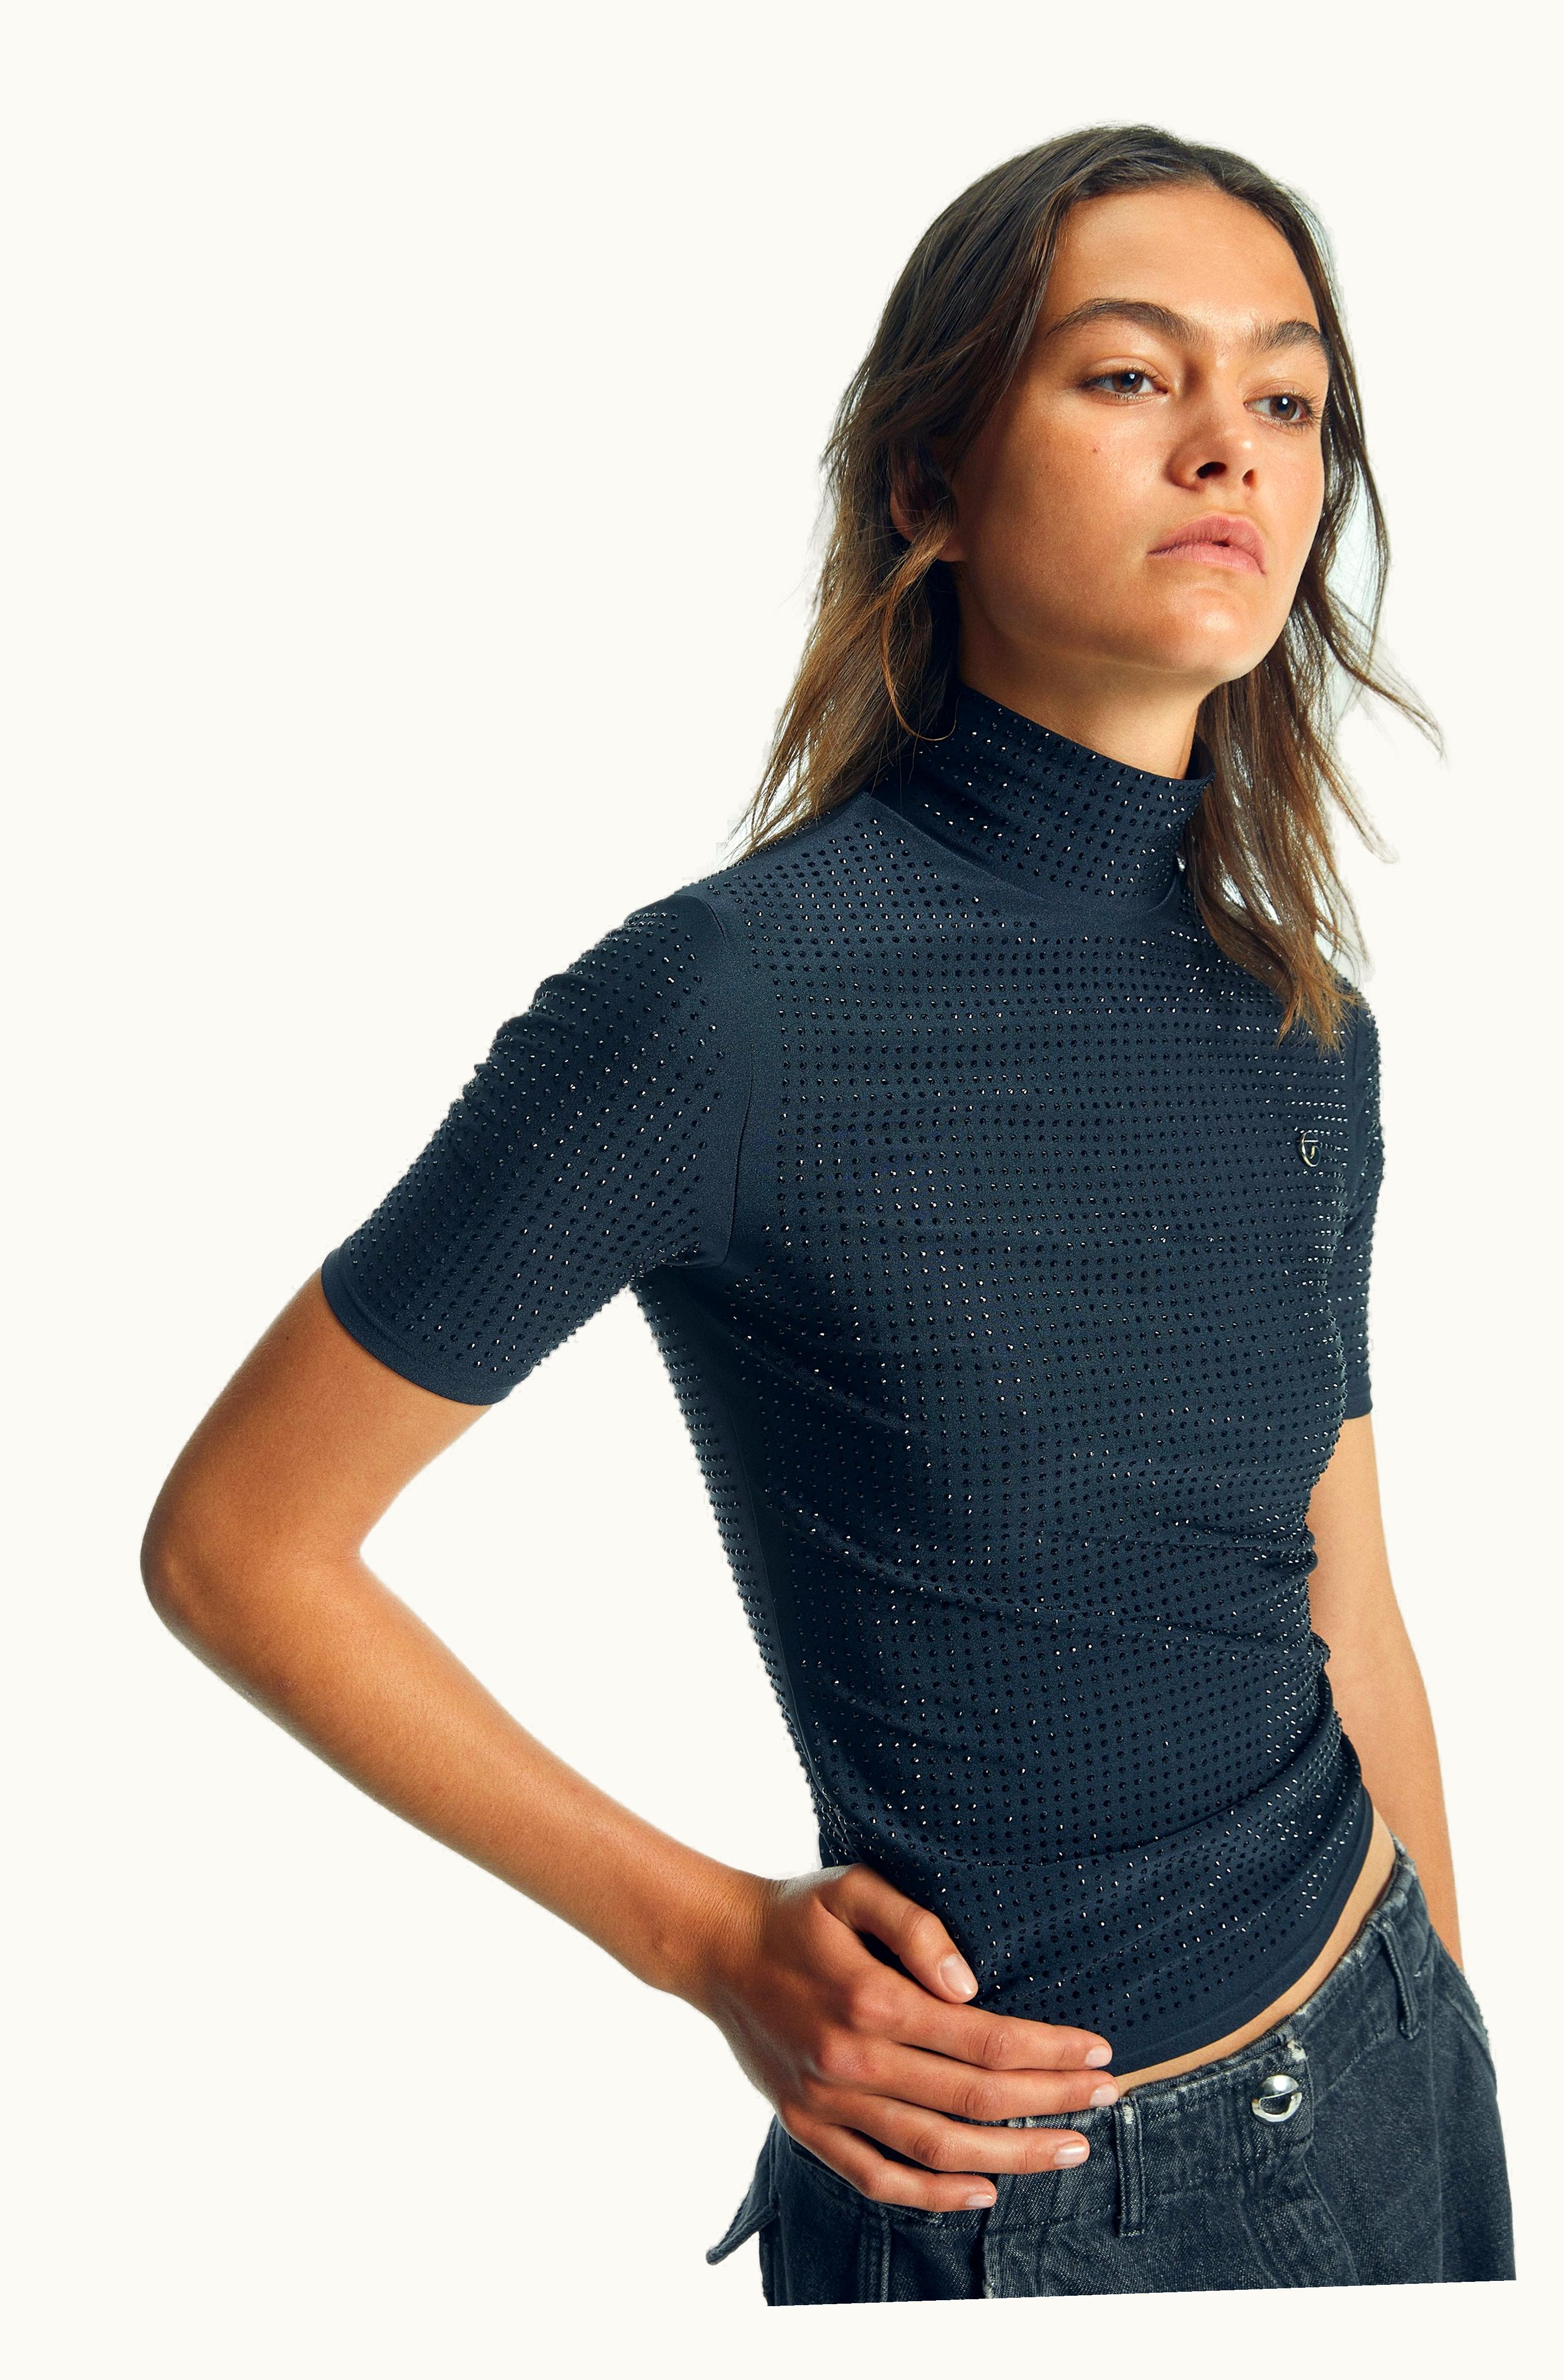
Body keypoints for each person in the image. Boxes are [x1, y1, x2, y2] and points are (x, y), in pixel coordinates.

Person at [141, 124, 1514, 2301]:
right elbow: (236, 1543)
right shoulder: (722, 1009)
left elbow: (1348, 1596)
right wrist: (706, 1940)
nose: (1228, 449)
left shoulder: (1302, 1030)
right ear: (926, 483)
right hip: (1031, 2198)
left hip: (1398, 2077)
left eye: (1286, 397)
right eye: (1130, 376)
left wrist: (1457, 2049)